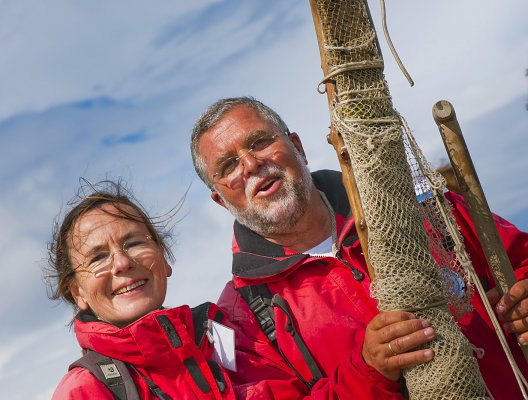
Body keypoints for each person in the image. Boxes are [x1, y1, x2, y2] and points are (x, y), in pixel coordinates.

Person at [189, 96, 528, 399]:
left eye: (260, 142)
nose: (251, 165)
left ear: (298, 147)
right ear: (220, 200)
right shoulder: (236, 317)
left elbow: (520, 259)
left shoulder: (418, 206)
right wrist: (368, 373)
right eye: (228, 166)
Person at [46, 180, 236, 399]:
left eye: (134, 243)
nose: (122, 263)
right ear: (78, 292)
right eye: (98, 258)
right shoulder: (83, 391)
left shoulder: (219, 334)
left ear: (163, 257)